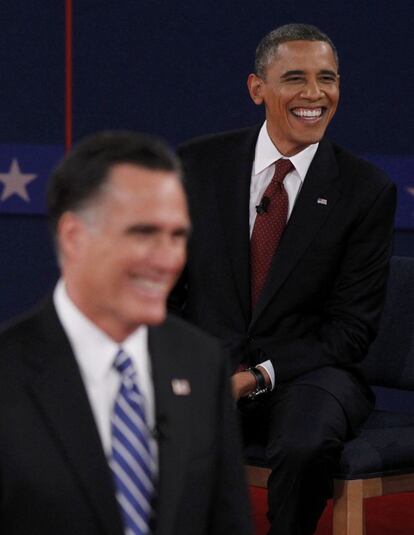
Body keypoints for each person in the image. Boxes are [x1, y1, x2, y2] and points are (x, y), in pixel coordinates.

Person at [171, 23, 396, 535]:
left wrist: (256, 376)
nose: (314, 94)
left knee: (304, 445)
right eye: (295, 78)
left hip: (312, 371)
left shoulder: (365, 191)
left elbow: (350, 331)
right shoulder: (198, 166)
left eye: (328, 79)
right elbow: (164, 291)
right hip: (212, 361)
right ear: (258, 89)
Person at [0, 131, 252, 535]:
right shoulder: (9, 373)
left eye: (177, 236)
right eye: (144, 233)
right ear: (74, 237)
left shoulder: (200, 362)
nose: (167, 260)